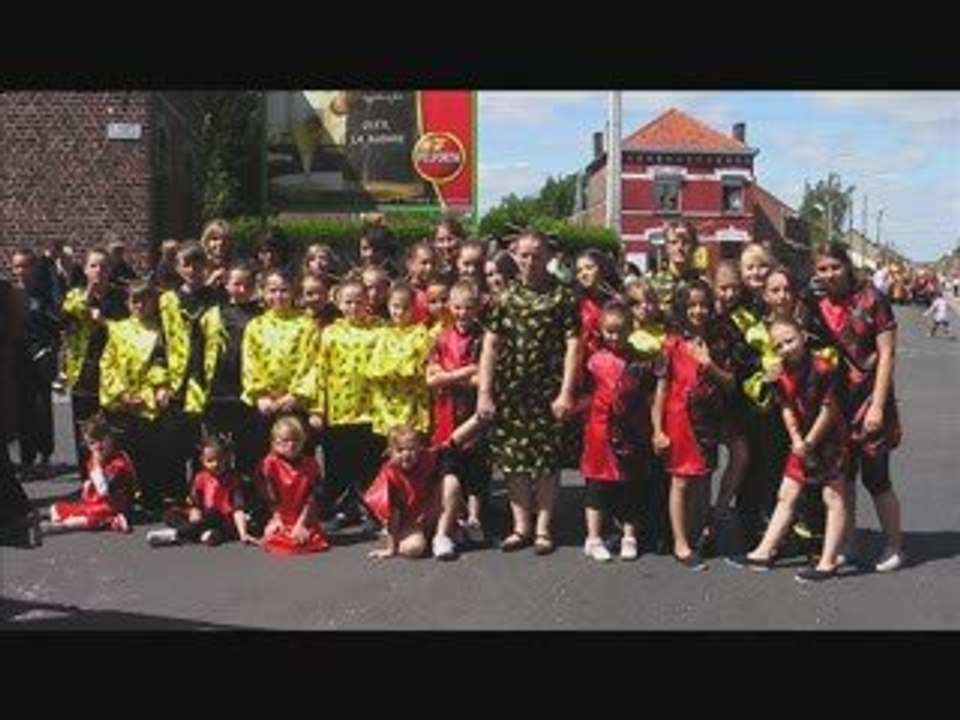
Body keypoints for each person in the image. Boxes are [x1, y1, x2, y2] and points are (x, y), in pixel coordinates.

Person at [477, 231, 580, 556]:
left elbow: (573, 346)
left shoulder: (563, 297)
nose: (530, 261)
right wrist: (484, 392)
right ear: (514, 255)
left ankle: (543, 529)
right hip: (510, 392)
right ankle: (520, 527)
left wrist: (566, 392)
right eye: (524, 255)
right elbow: (491, 347)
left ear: (548, 255)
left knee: (547, 463)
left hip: (547, 393)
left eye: (537, 255)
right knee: (514, 462)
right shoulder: (503, 298)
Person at [807, 242, 906, 572]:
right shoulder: (818, 303)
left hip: (870, 399)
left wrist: (878, 405)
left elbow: (887, 354)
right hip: (837, 403)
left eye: (834, 266)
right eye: (822, 269)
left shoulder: (873, 299)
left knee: (877, 479)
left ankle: (894, 545)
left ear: (847, 265)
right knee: (844, 479)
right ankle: (848, 541)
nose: (829, 274)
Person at [727, 320, 849, 583]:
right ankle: (763, 551)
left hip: (828, 441)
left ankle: (828, 561)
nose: (785, 348)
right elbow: (786, 406)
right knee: (787, 493)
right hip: (801, 439)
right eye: (778, 344)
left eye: (790, 341)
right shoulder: (781, 373)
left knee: (833, 496)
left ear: (803, 337)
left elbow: (830, 411)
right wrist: (796, 439)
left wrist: (809, 443)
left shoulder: (823, 368)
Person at [651, 279, 735, 570]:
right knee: (681, 480)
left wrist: (709, 363)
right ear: (682, 308)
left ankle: (698, 533)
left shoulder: (719, 340)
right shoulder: (672, 342)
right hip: (679, 419)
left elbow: (730, 384)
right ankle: (680, 542)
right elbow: (661, 389)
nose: (698, 310)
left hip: (708, 420)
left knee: (703, 479)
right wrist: (657, 429)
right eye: (691, 305)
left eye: (703, 305)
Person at [576, 303, 646, 562]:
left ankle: (630, 535)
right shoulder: (593, 360)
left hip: (630, 431)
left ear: (631, 330)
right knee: (596, 484)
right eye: (610, 332)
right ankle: (593, 537)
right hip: (599, 429)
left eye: (621, 331)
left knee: (630, 485)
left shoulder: (639, 361)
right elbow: (582, 390)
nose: (615, 337)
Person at [364, 416, 483, 560]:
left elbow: (454, 441)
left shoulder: (428, 456)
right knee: (413, 549)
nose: (407, 454)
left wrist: (478, 418)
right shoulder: (389, 474)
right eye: (400, 450)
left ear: (419, 448)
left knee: (451, 481)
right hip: (410, 521)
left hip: (430, 511)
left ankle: (442, 536)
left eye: (412, 449)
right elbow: (392, 516)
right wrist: (391, 548)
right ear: (390, 451)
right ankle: (448, 532)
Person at [427, 280, 490, 544]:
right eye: (457, 307)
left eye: (468, 307)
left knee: (476, 469)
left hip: (474, 412)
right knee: (449, 464)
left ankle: (475, 519)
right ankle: (453, 517)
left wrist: (449, 376)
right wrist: (463, 372)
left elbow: (484, 378)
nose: (462, 313)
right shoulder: (441, 337)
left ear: (478, 308)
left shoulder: (484, 337)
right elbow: (431, 377)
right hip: (445, 411)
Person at [61, 248, 128, 481]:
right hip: (84, 372)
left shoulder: (120, 297)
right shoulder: (75, 295)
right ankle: (87, 480)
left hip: (113, 372)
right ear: (85, 269)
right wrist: (89, 293)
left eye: (104, 266)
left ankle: (116, 481)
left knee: (112, 429)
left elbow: (127, 331)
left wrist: (104, 322)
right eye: (93, 266)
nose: (99, 271)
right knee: (86, 431)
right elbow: (69, 316)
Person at [146, 430, 255, 547]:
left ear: (227, 458)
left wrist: (243, 533)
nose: (215, 464)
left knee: (214, 521)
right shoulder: (200, 477)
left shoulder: (233, 479)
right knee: (169, 515)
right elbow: (195, 501)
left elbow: (238, 509)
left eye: (219, 460)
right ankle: (201, 533)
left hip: (223, 519)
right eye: (210, 461)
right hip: (204, 517)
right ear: (202, 461)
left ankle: (175, 535)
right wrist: (195, 510)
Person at [42, 414, 136, 534]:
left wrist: (97, 464)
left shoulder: (119, 461)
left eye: (101, 440)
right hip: (95, 502)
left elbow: (103, 490)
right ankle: (111, 521)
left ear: (110, 438)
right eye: (92, 443)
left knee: (90, 516)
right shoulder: (94, 458)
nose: (97, 447)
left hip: (114, 503)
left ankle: (64, 526)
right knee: (56, 509)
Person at [258, 415, 330, 555]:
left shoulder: (311, 465)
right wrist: (276, 519)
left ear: (303, 441)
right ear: (274, 442)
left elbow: (313, 497)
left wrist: (301, 524)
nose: (291, 445)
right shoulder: (269, 464)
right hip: (282, 516)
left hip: (304, 516)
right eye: (285, 440)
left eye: (296, 440)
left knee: (307, 540)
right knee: (275, 539)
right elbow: (269, 494)